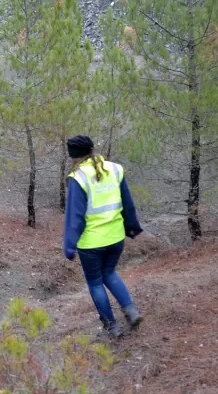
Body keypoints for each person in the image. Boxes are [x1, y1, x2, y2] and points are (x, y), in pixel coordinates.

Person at [63, 135, 144, 337]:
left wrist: (69, 245)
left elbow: (75, 217)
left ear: (74, 156)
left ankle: (111, 327)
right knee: (109, 273)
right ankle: (131, 311)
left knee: (96, 283)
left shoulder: (78, 178)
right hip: (116, 238)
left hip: (92, 244)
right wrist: (132, 227)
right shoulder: (115, 169)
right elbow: (128, 203)